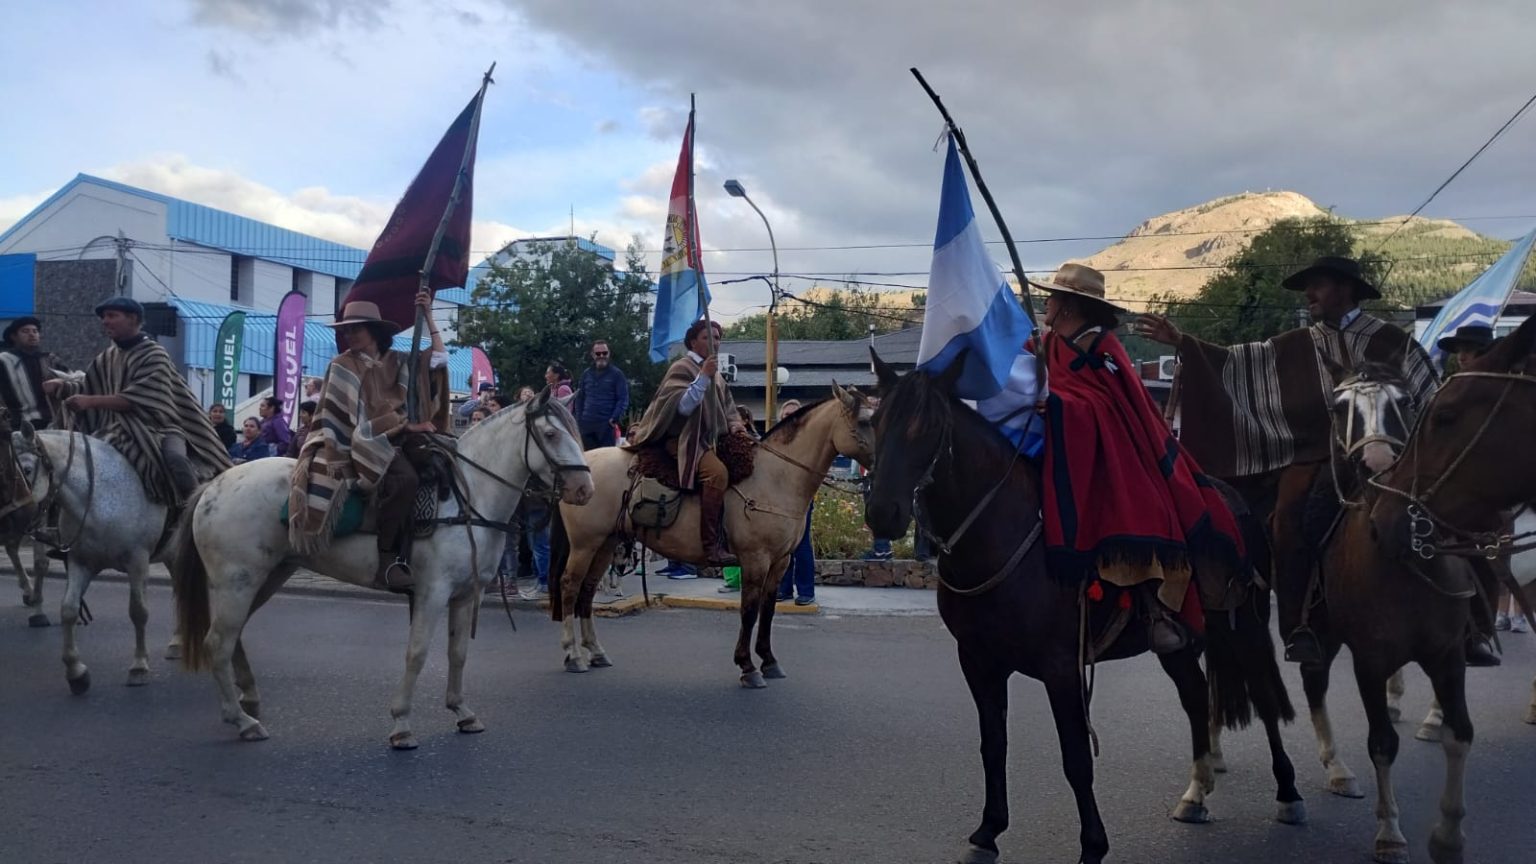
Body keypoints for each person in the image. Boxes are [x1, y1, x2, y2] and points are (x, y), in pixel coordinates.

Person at [1137, 255, 1443, 664]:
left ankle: (1468, 621)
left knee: (1442, 513)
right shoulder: (1298, 345)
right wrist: (1184, 344)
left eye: (1317, 285)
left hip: (1393, 457)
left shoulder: (1392, 341)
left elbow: (1432, 399)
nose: (1309, 295)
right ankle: (1299, 628)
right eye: (1308, 287)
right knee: (1286, 523)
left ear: (1347, 290)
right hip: (1315, 455)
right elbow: (1236, 362)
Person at [1036, 264, 1247, 654]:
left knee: (1142, 506)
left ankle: (1153, 607)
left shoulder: (1103, 346)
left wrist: (1059, 405)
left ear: (1069, 306)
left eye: (1052, 296)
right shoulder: (1044, 345)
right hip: (1056, 448)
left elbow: (1112, 406)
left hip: (1117, 452)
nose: (1045, 302)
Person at [288, 291, 449, 591]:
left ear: (374, 331)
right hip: (359, 440)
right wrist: (407, 426)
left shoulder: (397, 360)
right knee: (405, 480)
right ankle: (386, 560)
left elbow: (438, 357)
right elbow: (351, 419)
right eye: (346, 329)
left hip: (399, 433)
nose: (349, 335)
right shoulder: (342, 365)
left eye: (355, 328)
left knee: (440, 461)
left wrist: (427, 313)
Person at [44, 297, 230, 508]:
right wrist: (62, 386)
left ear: (133, 319)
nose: (105, 321)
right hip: (119, 428)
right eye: (104, 317)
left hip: (162, 427)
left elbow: (143, 397)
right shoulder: (107, 356)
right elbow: (90, 386)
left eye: (112, 316)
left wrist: (89, 401)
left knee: (175, 460)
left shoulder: (154, 354)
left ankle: (193, 514)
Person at [626, 319, 746, 566]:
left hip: (712, 440)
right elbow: (681, 407)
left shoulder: (718, 375)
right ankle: (711, 545)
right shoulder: (683, 367)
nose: (715, 342)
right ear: (693, 342)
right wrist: (703, 378)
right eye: (707, 337)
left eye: (717, 337)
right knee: (717, 474)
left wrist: (735, 424)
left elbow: (729, 409)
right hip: (682, 440)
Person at [773, 400, 817, 605]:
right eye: (785, 414)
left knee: (801, 545)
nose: (788, 417)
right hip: (779, 498)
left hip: (801, 499)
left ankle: (806, 591)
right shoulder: (778, 438)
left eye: (792, 413)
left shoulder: (808, 440)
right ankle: (784, 589)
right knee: (782, 545)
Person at [0, 316, 57, 429]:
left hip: (52, 424)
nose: (32, 334)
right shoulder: (3, 361)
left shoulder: (50, 359)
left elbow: (72, 379)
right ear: (14, 337)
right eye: (25, 331)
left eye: (35, 331)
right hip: (16, 426)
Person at [572, 340, 630, 450]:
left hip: (606, 426)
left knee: (605, 462)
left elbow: (623, 399)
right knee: (588, 460)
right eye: (598, 353)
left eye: (605, 353)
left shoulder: (617, 375)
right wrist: (579, 420)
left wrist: (614, 418)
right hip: (587, 425)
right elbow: (579, 398)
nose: (601, 356)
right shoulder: (586, 374)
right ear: (593, 355)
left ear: (609, 353)